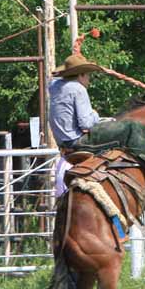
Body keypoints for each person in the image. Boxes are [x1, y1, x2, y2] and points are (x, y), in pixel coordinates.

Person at [48, 54, 102, 196]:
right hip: (76, 141)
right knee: (119, 132)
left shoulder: (54, 87)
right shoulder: (78, 89)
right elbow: (86, 123)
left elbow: (54, 79)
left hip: (63, 142)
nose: (89, 80)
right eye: (88, 75)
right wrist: (95, 114)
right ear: (81, 75)